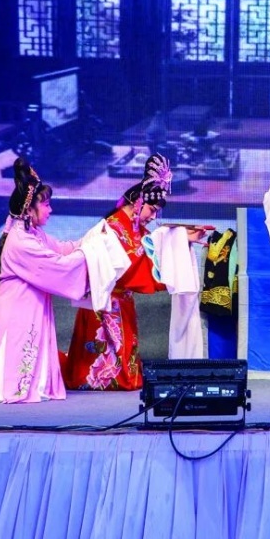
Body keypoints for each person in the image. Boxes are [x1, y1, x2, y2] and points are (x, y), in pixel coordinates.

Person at [0, 158, 90, 403]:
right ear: (29, 210)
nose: (50, 210)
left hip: (26, 312)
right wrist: (89, 254)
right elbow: (59, 265)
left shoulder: (32, 233)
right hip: (15, 315)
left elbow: (62, 249)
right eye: (46, 205)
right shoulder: (21, 242)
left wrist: (93, 239)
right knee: (10, 376)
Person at [61, 153, 185, 391]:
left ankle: (110, 377)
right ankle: (97, 378)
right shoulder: (112, 227)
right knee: (101, 353)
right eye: (151, 210)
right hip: (104, 300)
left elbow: (152, 252)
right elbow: (131, 263)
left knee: (125, 353)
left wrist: (181, 239)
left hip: (122, 300)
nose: (153, 217)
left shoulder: (135, 227)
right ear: (138, 202)